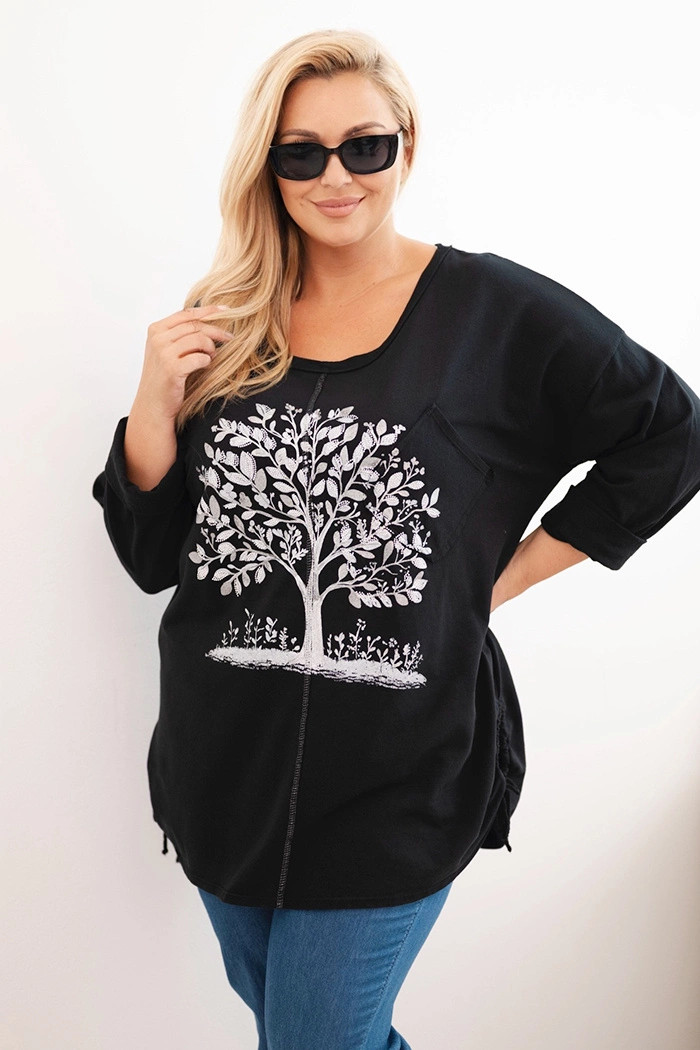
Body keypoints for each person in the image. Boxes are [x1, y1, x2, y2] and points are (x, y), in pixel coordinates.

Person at [91, 28, 700, 1050]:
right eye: (301, 154)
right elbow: (156, 561)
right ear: (267, 167)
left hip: (398, 774)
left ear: (406, 145)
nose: (335, 177)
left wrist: (494, 582)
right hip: (223, 765)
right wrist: (153, 406)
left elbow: (670, 433)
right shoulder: (226, 318)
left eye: (363, 146)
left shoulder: (494, 311)